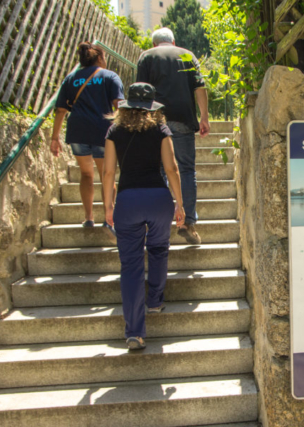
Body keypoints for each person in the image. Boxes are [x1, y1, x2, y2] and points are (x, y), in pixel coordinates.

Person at [102, 83, 186, 350]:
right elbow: (172, 168)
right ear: (153, 106)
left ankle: (135, 333)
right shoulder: (161, 129)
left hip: (127, 201)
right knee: (159, 248)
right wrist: (180, 204)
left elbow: (107, 173)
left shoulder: (114, 130)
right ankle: (155, 301)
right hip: (158, 198)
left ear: (127, 106)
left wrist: (107, 206)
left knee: (131, 266)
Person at [135, 27, 210, 245]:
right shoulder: (187, 55)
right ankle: (188, 223)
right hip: (183, 119)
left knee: (157, 171)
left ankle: (158, 224)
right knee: (186, 170)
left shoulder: (146, 56)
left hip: (155, 120)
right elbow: (200, 86)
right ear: (173, 41)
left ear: (154, 43)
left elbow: (140, 92)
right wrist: (204, 117)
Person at [50, 42, 124, 235]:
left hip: (77, 130)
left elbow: (60, 110)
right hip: (103, 131)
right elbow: (119, 105)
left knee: (85, 174)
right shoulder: (110, 77)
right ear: (99, 57)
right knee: (106, 175)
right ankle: (109, 218)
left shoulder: (71, 78)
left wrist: (54, 137)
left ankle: (89, 218)